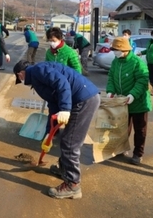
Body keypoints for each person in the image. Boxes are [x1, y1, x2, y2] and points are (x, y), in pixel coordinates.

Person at [13, 60, 100, 199]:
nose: (22, 81)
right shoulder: (38, 76)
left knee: (70, 142)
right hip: (80, 99)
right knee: (64, 138)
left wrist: (65, 109)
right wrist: (49, 131)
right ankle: (65, 169)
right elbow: (53, 102)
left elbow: (62, 83)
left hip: (84, 100)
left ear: (20, 74)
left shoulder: (37, 70)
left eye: (20, 79)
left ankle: (73, 185)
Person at [106, 37, 151, 165]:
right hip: (122, 101)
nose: (115, 52)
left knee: (140, 130)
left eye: (116, 50)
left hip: (138, 102)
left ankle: (138, 154)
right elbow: (111, 77)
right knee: (123, 128)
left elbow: (142, 80)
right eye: (113, 50)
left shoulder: (137, 62)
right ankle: (121, 148)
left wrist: (133, 95)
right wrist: (110, 90)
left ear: (124, 49)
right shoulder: (116, 62)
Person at [138, 30, 153, 96]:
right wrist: (141, 53)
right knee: (151, 77)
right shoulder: (150, 41)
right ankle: (152, 89)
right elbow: (148, 50)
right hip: (150, 62)